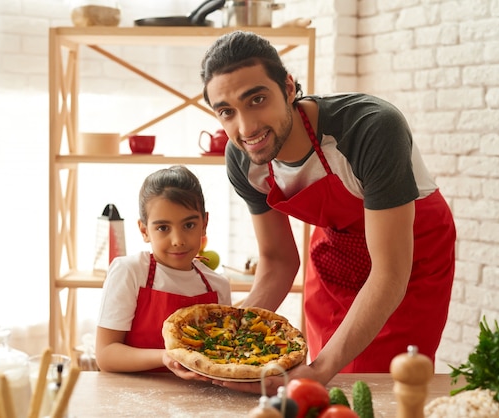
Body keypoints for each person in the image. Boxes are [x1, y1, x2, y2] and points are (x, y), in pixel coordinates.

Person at [165, 31, 456, 393]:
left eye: (257, 99)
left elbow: (389, 274)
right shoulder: (242, 158)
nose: (246, 128)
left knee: (372, 386)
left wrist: (319, 371)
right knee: (322, 381)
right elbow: (278, 261)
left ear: (288, 87)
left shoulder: (371, 129)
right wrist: (223, 345)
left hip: (411, 255)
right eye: (227, 112)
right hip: (337, 247)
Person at [96, 165, 232, 372]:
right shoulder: (130, 272)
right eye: (163, 228)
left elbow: (221, 359)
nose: (177, 240)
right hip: (133, 398)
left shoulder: (217, 285)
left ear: (204, 223)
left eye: (189, 225)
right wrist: (167, 357)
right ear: (144, 230)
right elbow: (106, 355)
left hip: (198, 400)